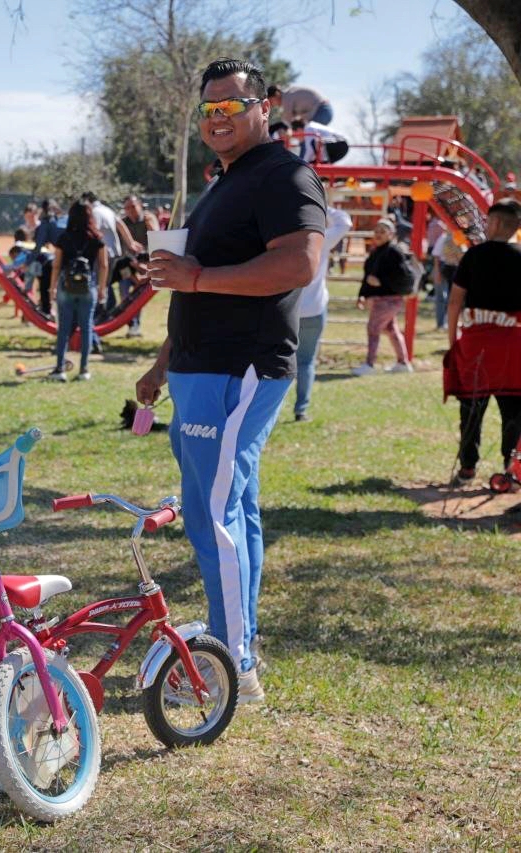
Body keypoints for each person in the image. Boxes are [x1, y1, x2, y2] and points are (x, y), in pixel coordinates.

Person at [136, 58, 326, 703]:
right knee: (232, 508)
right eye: (208, 109)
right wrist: (165, 361)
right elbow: (197, 278)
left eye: (231, 105)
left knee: (211, 511)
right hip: (199, 366)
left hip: (238, 368)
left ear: (263, 106)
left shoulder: (283, 173)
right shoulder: (226, 180)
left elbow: (300, 262)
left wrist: (196, 278)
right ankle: (234, 643)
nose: (218, 118)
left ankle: (233, 665)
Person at [444, 199, 521, 487]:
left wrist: (453, 341)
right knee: (514, 413)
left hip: (477, 345)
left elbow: (454, 301)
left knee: (471, 410)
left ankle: (467, 468)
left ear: (497, 223)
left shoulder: (474, 256)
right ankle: (510, 471)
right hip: (513, 347)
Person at [293, 204, 352, 421]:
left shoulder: (283, 243)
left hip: (287, 311)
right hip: (314, 308)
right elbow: (345, 221)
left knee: (278, 363)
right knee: (306, 362)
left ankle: (270, 409)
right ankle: (301, 409)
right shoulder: (321, 240)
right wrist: (319, 205)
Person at [49, 201, 108, 382]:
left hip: (66, 286)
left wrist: (52, 287)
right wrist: (101, 288)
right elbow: (104, 265)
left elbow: (57, 264)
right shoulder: (97, 238)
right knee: (86, 328)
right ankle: (84, 369)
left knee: (64, 329)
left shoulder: (63, 237)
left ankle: (60, 368)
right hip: (87, 287)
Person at [352, 217, 414, 376]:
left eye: (382, 231)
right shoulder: (376, 252)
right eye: (376, 231)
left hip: (389, 300)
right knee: (391, 330)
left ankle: (369, 364)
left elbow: (401, 276)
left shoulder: (394, 252)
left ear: (391, 234)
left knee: (373, 329)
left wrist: (381, 282)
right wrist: (362, 295)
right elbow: (368, 277)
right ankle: (403, 363)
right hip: (381, 300)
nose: (378, 234)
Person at [119, 196, 159, 336]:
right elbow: (122, 250)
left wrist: (145, 268)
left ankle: (135, 326)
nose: (131, 210)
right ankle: (131, 324)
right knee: (125, 294)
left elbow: (155, 243)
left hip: (145, 265)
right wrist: (133, 269)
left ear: (140, 205)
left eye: (133, 206)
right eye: (127, 208)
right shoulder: (122, 224)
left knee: (138, 297)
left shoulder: (148, 220)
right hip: (127, 265)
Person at [32, 199, 62, 320]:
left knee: (45, 283)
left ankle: (47, 309)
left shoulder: (46, 223)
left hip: (57, 259)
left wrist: (27, 262)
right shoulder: (60, 221)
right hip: (67, 257)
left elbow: (39, 246)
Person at [430, 228, 465, 332]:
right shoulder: (444, 238)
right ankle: (441, 323)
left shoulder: (463, 238)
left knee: (455, 299)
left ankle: (452, 322)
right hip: (444, 268)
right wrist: (437, 271)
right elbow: (436, 255)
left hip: (457, 269)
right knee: (442, 298)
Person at [267, 83, 333, 126]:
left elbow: (288, 121)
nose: (272, 105)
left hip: (321, 111)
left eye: (271, 101)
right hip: (324, 110)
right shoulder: (289, 93)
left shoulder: (286, 98)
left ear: (277, 94)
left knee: (306, 135)